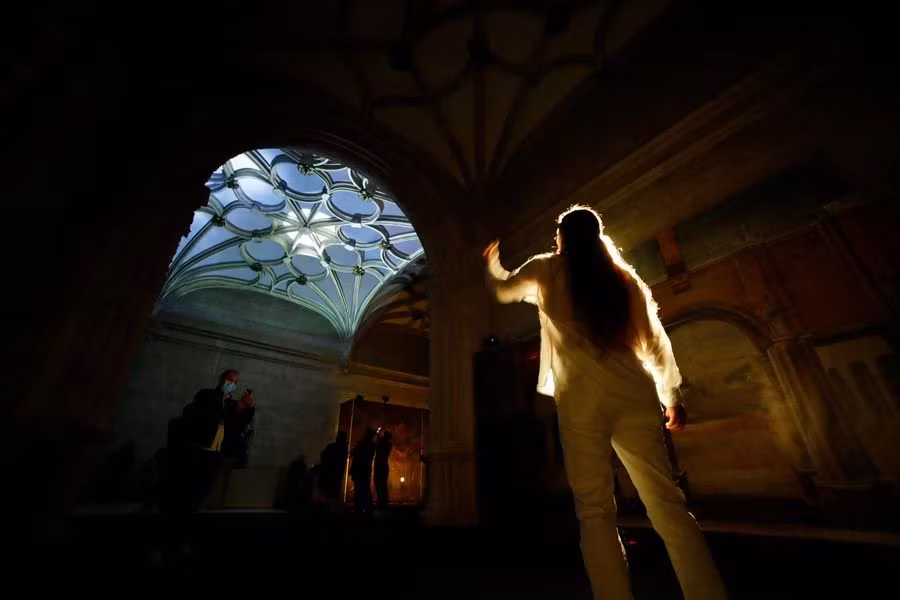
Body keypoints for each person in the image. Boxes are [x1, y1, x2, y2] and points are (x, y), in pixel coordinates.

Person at [483, 206, 727, 600]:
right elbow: (656, 343)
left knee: (594, 512)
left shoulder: (547, 269)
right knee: (668, 505)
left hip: (581, 403)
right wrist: (672, 395)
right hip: (635, 395)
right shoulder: (624, 279)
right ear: (597, 236)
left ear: (561, 236)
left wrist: (491, 265)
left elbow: (502, 290)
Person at [349, 427, 377, 516]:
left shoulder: (362, 444)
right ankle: (367, 508)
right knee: (365, 489)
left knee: (359, 489)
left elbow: (352, 453)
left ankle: (359, 509)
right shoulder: (372, 445)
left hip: (359, 469)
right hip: (365, 470)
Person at [318, 431, 349, 510]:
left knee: (327, 493)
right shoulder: (344, 449)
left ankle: (325, 510)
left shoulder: (332, 447)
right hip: (337, 475)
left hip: (329, 474)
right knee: (334, 494)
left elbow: (323, 455)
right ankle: (332, 511)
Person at [373, 429, 393, 511]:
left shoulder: (381, 442)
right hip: (383, 465)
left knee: (379, 484)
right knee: (383, 485)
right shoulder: (388, 444)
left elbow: (377, 437)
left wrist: (378, 431)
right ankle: (383, 503)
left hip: (379, 465)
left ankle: (381, 503)